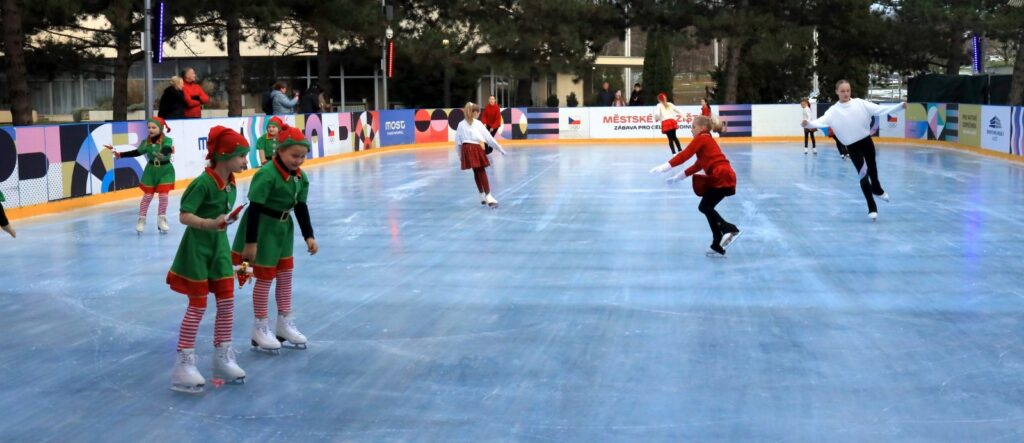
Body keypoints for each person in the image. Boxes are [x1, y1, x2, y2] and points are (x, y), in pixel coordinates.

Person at [166, 126, 250, 393]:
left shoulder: (231, 183)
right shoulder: (202, 183)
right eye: (241, 156)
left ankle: (222, 356)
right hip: (197, 249)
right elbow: (184, 215)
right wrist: (209, 223)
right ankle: (183, 363)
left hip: (219, 247)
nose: (245, 161)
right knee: (198, 306)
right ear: (224, 155)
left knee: (227, 302)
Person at [233, 123, 318, 353]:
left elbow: (300, 206)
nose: (298, 160)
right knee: (264, 278)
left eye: (302, 156)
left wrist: (308, 236)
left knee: (285, 275)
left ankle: (284, 323)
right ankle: (260, 327)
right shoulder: (267, 174)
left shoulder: (300, 178)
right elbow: (255, 208)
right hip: (263, 228)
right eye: (294, 156)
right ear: (280, 151)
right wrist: (251, 243)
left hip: (283, 230)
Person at [802, 79, 905, 221]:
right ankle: (871, 206)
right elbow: (821, 121)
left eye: (848, 90)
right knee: (863, 174)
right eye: (842, 91)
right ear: (837, 92)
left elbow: (879, 110)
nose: (846, 93)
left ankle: (877, 188)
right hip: (853, 146)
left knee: (873, 168)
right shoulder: (833, 111)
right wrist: (808, 124)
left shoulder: (860, 103)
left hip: (866, 141)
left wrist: (899, 106)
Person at [650, 116, 741, 256]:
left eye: (693, 127)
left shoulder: (702, 138)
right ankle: (717, 244)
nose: (691, 130)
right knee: (706, 206)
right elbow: (697, 165)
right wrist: (677, 178)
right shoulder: (707, 141)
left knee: (705, 207)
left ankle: (728, 228)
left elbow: (684, 155)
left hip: (721, 175)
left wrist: (664, 167)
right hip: (725, 175)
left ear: (702, 128)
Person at [107, 117, 176, 234]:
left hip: (165, 170)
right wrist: (121, 155)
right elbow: (137, 152)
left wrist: (162, 153)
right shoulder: (146, 143)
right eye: (149, 127)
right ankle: (141, 219)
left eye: (154, 127)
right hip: (151, 171)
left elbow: (167, 148)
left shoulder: (167, 140)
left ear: (160, 128)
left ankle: (161, 220)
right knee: (147, 196)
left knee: (163, 195)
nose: (151, 130)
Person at [455, 102, 506, 208]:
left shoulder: (460, 124)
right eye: (478, 112)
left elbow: (458, 142)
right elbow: (489, 138)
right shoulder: (477, 124)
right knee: (481, 171)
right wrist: (499, 148)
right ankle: (489, 197)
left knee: (476, 171)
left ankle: (482, 195)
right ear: (474, 112)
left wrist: (460, 156)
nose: (479, 114)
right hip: (475, 148)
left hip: (466, 149)